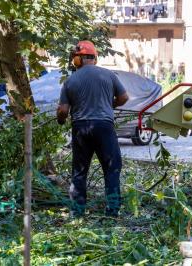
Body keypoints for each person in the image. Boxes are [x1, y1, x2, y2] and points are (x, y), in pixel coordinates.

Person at [57, 40, 129, 217]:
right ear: (94, 58)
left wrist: (60, 119)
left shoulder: (70, 81)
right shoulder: (109, 75)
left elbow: (63, 110)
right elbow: (124, 97)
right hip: (105, 127)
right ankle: (112, 211)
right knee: (112, 168)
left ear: (78, 60)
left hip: (81, 128)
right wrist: (109, 105)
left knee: (80, 171)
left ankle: (78, 212)